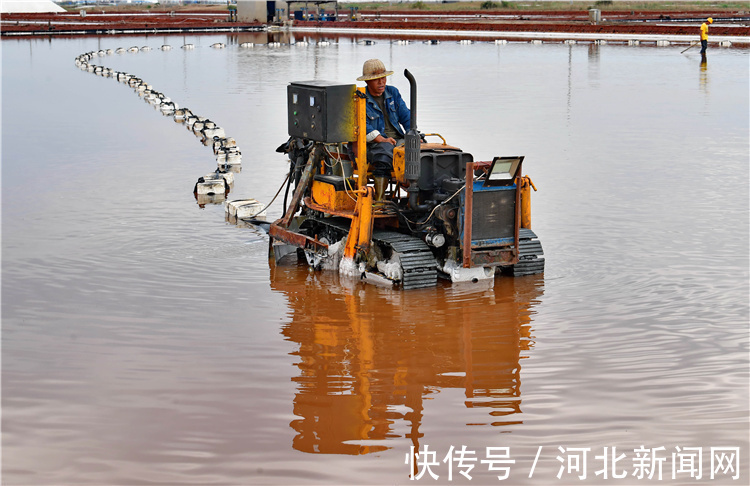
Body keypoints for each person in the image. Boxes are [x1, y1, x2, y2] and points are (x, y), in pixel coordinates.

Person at [356, 59, 411, 201]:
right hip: (373, 144)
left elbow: (406, 116)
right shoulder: (360, 97)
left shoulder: (393, 92)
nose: (381, 82)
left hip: (397, 141)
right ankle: (380, 200)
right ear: (367, 81)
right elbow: (363, 126)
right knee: (384, 153)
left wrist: (414, 135)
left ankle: (416, 198)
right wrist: (382, 139)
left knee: (421, 150)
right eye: (376, 79)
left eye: (383, 78)